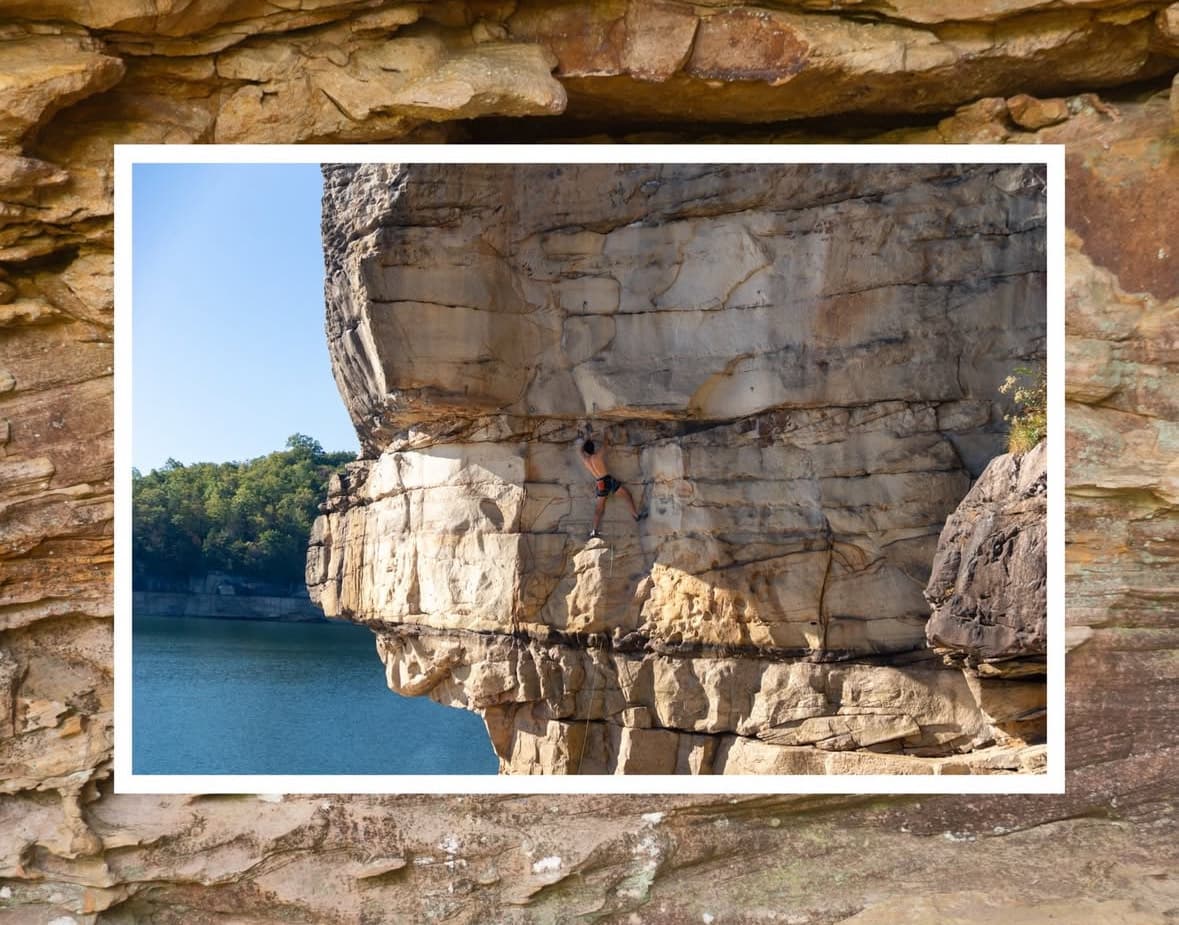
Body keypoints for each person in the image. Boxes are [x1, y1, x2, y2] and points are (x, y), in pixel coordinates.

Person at [578, 430, 646, 539]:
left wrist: (587, 438)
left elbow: (581, 450)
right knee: (627, 495)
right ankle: (636, 515)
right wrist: (605, 434)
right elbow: (606, 445)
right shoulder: (597, 456)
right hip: (608, 480)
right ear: (593, 448)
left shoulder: (586, 460)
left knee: (599, 508)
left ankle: (594, 530)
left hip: (599, 483)